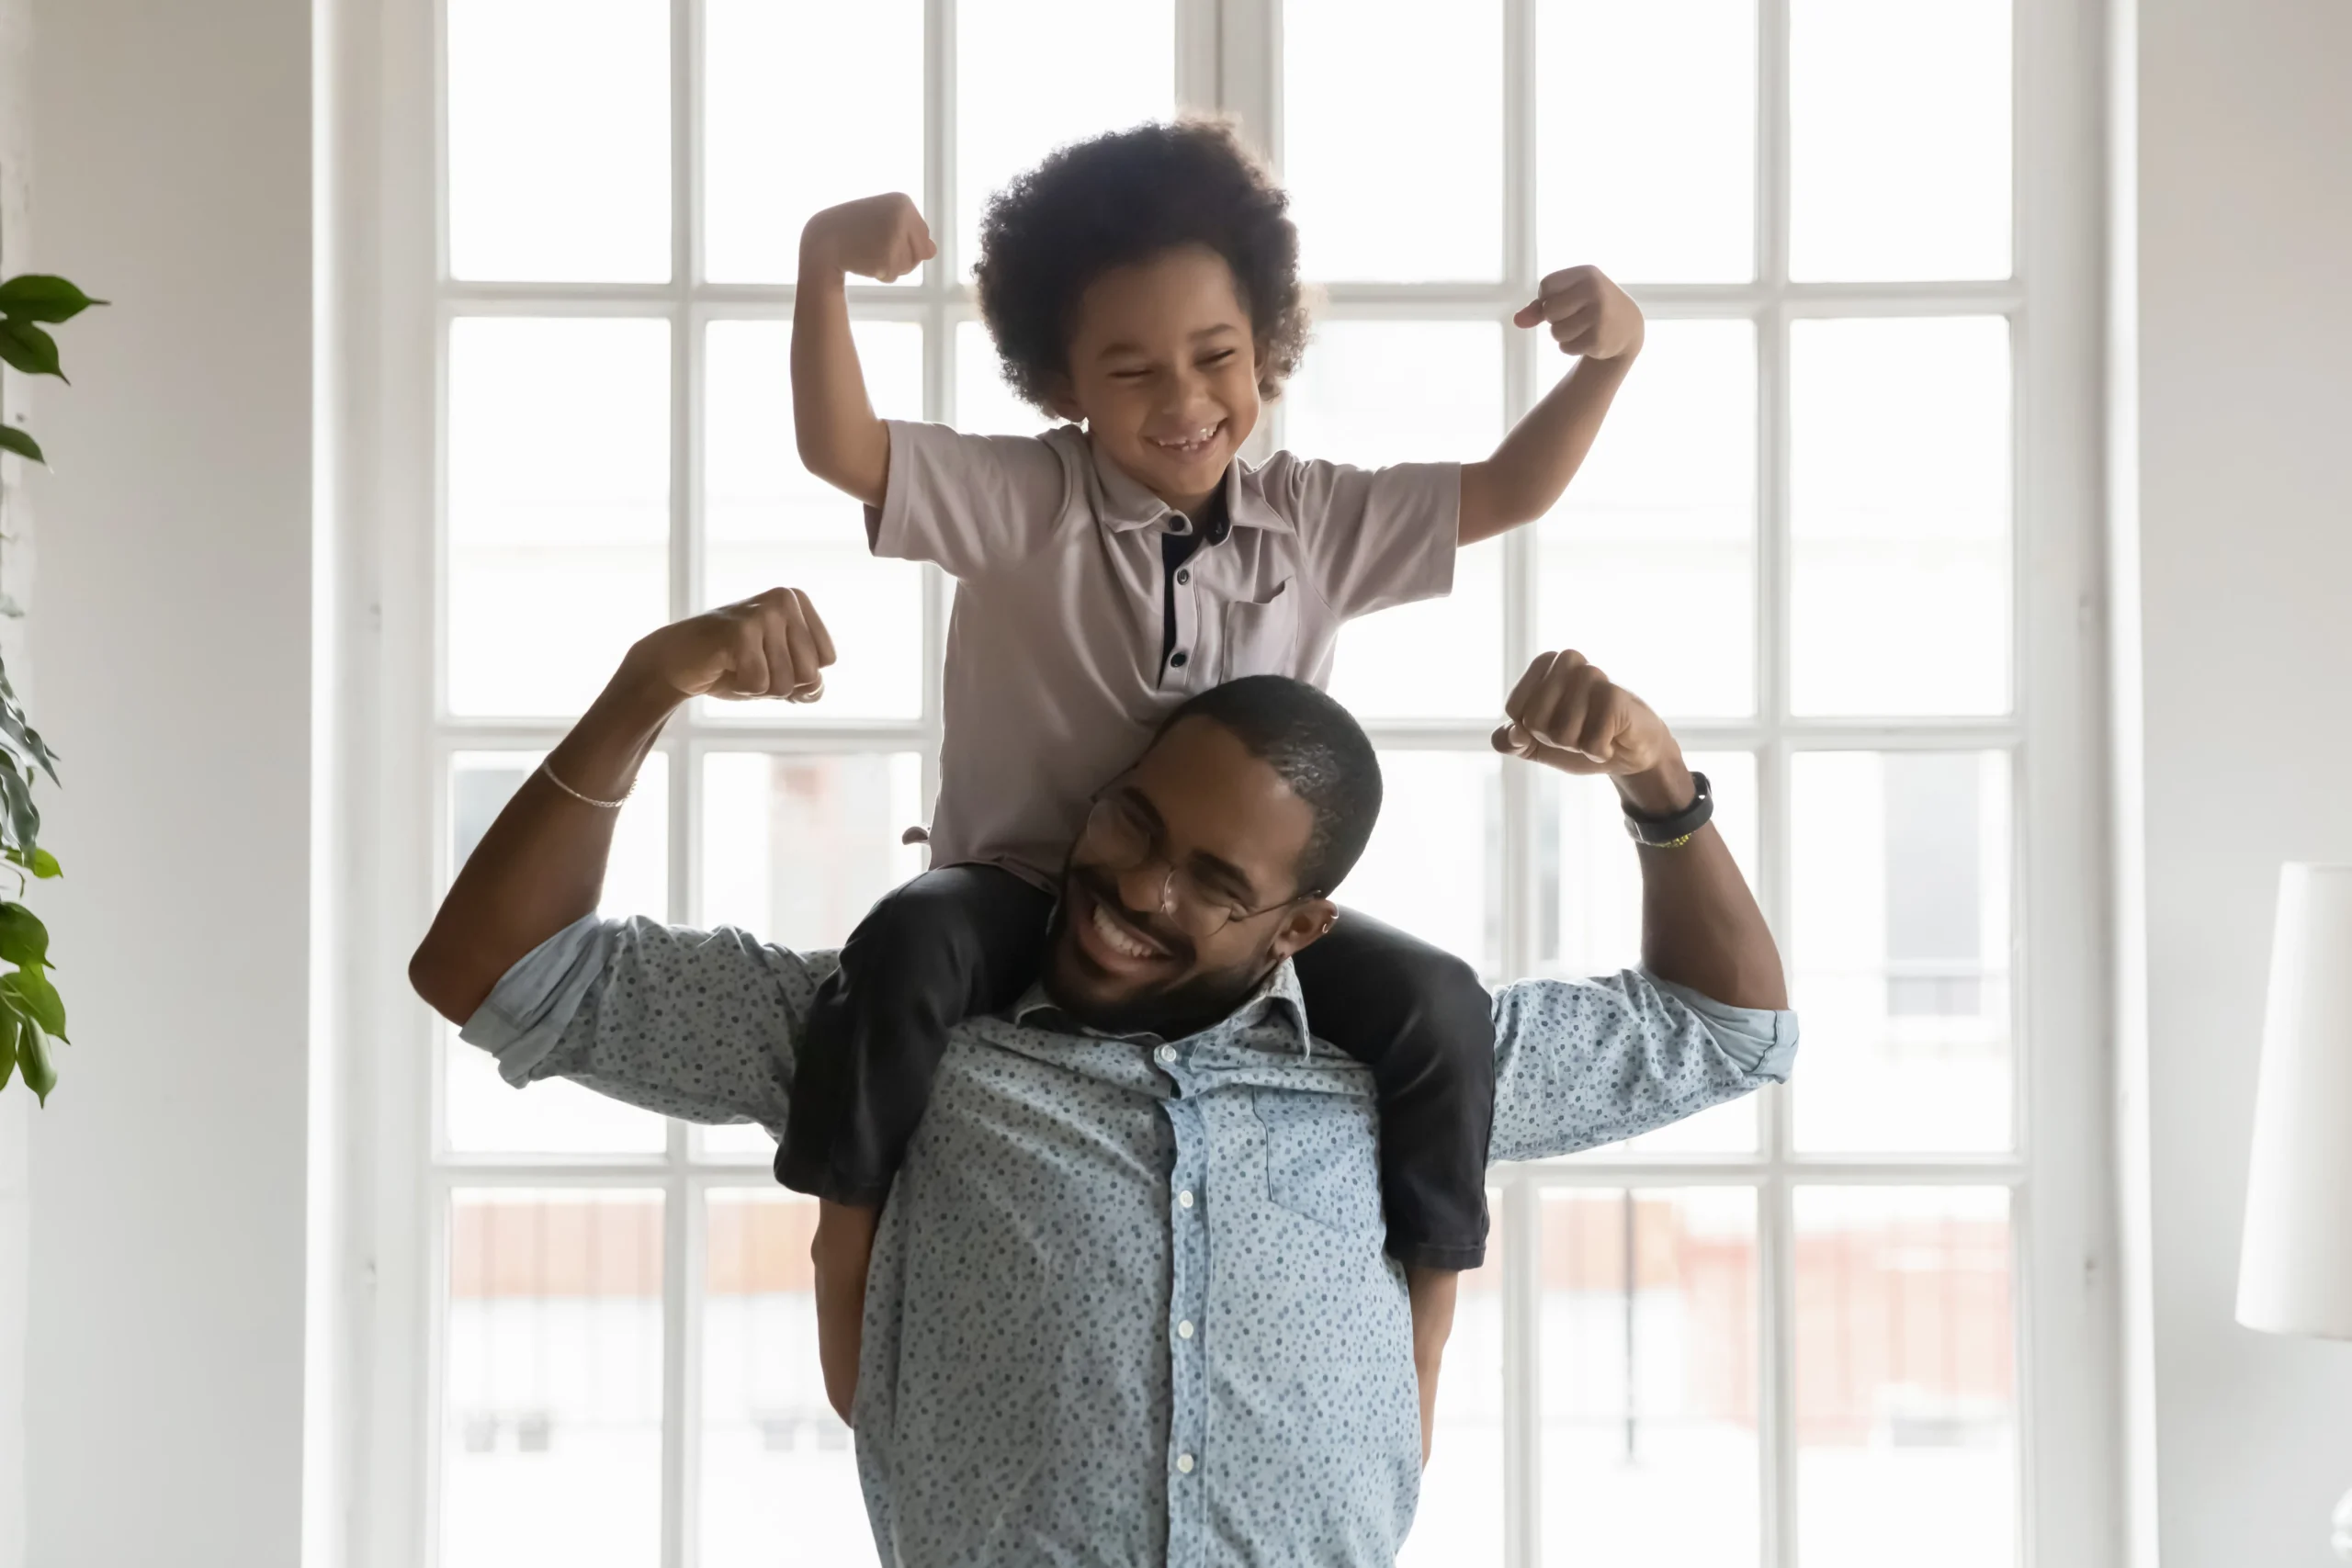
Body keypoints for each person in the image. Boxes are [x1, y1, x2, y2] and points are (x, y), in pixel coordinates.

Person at [407, 587, 1797, 1567]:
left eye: (1211, 879)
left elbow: (1729, 1029)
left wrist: (1659, 783)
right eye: (1133, 821)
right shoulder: (895, 1021)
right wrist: (650, 687)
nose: (1133, 885)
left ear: (1298, 925)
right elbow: (495, 967)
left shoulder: (1410, 1062)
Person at [787, 118, 1649, 1370]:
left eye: (1217, 356)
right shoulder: (1024, 499)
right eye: (1131, 371)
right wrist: (822, 264)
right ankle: (842, 1249)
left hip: (1239, 929)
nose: (1185, 401)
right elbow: (842, 448)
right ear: (1064, 381)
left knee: (1442, 1006)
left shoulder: (1317, 519)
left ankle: (1427, 1328)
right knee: (909, 942)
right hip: (1026, 892)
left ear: (1267, 349)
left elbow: (1508, 486)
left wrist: (1611, 360)